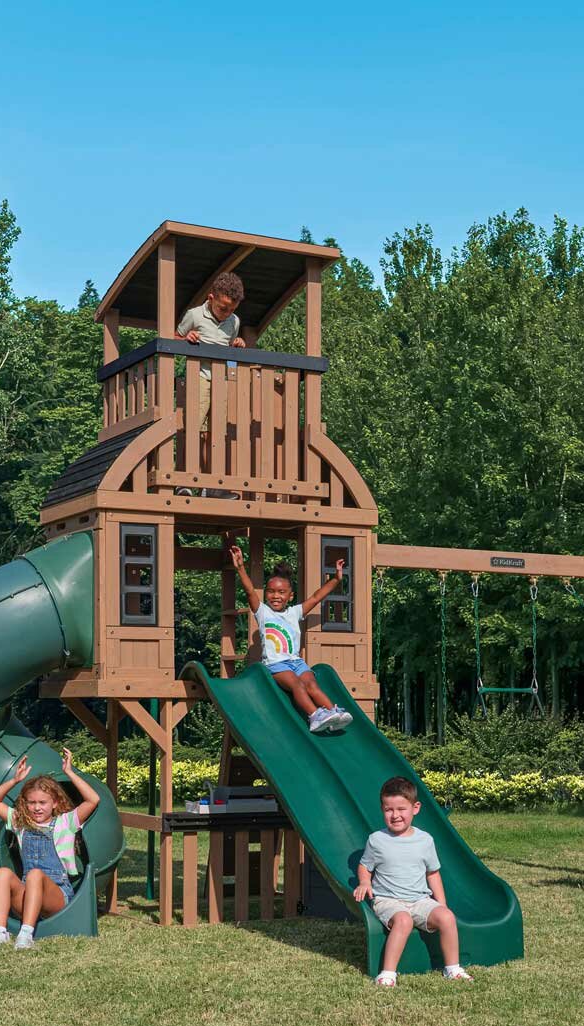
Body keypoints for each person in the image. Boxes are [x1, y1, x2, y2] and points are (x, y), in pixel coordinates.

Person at [354, 776, 472, 987]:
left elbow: (433, 873)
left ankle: (452, 968)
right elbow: (365, 866)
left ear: (415, 808)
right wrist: (365, 882)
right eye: (389, 810)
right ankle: (388, 973)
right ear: (382, 809)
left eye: (401, 809)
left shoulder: (425, 840)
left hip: (419, 900)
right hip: (388, 900)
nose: (395, 815)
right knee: (404, 921)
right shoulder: (377, 840)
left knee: (446, 917)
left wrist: (441, 903)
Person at [228, 543, 353, 733]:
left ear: (290, 596)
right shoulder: (263, 612)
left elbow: (317, 597)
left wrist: (336, 579)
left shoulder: (295, 612)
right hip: (276, 665)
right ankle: (315, 716)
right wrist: (240, 568)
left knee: (311, 683)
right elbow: (250, 591)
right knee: (296, 683)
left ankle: (332, 712)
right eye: (271, 591)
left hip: (296, 662)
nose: (275, 596)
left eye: (281, 592)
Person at [0, 749, 100, 949]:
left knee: (35, 874)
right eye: (32, 803)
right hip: (27, 895)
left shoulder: (65, 823)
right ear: (25, 804)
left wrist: (70, 772)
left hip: (57, 897)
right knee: (3, 873)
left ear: (54, 803)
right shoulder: (20, 823)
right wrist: (14, 780)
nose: (37, 808)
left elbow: (93, 800)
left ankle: (26, 934)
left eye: (43, 803)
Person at [176, 272, 246, 497]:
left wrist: (237, 344)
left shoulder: (233, 322)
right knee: (194, 428)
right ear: (210, 298)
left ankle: (213, 485)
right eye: (222, 308)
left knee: (217, 431)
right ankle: (183, 481)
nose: (227, 313)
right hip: (199, 376)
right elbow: (174, 338)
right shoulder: (194, 316)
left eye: (232, 309)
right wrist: (188, 339)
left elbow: (228, 348)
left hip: (221, 379)